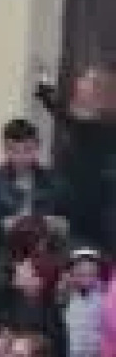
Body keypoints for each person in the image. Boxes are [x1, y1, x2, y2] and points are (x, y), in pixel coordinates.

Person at [37, 68, 116, 250]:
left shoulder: (94, 126)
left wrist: (45, 87)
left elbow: (62, 112)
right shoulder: (91, 124)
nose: (80, 82)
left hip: (88, 205)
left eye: (87, 80)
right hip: (89, 204)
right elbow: (62, 111)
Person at [0, 118, 64, 224]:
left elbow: (66, 224)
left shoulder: (54, 183)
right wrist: (2, 225)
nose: (21, 156)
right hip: (0, 239)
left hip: (43, 238)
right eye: (14, 150)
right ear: (5, 150)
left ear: (37, 148)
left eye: (28, 149)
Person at [60, 249, 106, 357]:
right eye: (81, 273)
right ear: (73, 273)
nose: (86, 278)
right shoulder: (64, 297)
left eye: (91, 273)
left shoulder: (106, 298)